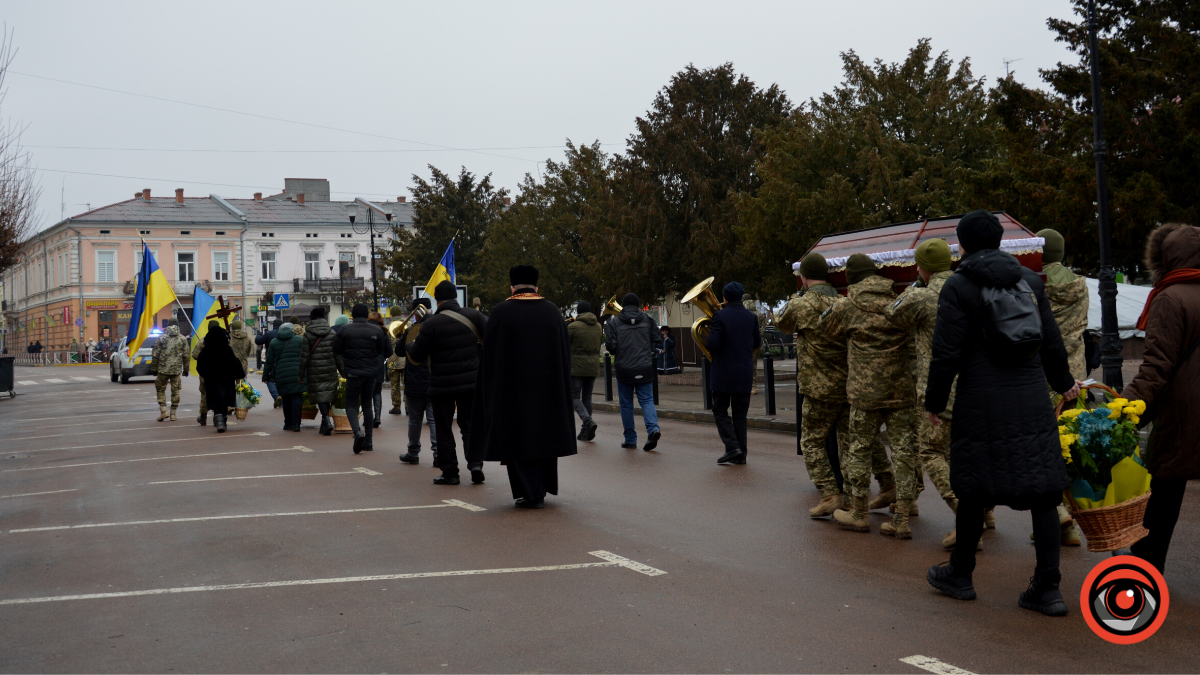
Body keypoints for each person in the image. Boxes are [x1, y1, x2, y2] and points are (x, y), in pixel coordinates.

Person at [924, 209, 1080, 616]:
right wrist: (1064, 383)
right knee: (1044, 492)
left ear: (963, 244)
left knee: (973, 488)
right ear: (999, 242)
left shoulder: (959, 286)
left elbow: (946, 353)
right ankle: (1047, 589)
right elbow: (1051, 343)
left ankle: (961, 575)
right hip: (1030, 398)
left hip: (981, 400)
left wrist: (934, 403)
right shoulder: (1029, 281)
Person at [778, 252, 895, 518]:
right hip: (848, 385)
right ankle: (858, 499)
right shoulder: (843, 302)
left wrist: (795, 299)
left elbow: (780, 323)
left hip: (818, 388)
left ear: (804, 277)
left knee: (811, 441)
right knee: (849, 445)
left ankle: (830, 494)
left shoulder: (801, 305)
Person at [820, 253, 919, 538]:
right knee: (903, 453)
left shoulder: (847, 306)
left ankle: (859, 514)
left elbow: (826, 329)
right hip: (900, 390)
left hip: (864, 394)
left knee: (858, 452)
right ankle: (901, 519)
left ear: (852, 278)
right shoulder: (899, 301)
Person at [1124, 222, 1200, 574]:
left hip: (1183, 414)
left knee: (1163, 496)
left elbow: (1156, 366)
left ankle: (1144, 572)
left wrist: (1123, 409)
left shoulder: (1170, 297)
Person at [468, 265, 577, 508]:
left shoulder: (501, 312)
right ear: (537, 287)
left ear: (512, 287)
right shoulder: (552, 312)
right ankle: (540, 490)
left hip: (512, 394)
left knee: (516, 442)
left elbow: (490, 359)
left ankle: (529, 493)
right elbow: (564, 356)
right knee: (544, 440)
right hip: (548, 392)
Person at [887, 239, 960, 547]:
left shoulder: (922, 295)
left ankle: (965, 513)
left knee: (930, 452)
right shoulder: (968, 288)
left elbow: (894, 314)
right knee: (961, 454)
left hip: (937, 389)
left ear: (924, 268)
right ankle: (984, 514)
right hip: (974, 387)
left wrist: (918, 284)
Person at [1035, 228, 1090, 547]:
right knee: (1070, 445)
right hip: (1076, 374)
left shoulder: (1035, 283)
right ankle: (1072, 518)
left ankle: (1057, 514)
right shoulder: (1079, 284)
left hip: (1045, 374)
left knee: (1045, 445)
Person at [406, 281, 488, 485]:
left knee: (443, 428)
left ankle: (450, 473)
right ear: (455, 297)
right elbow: (492, 338)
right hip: (471, 381)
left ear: (437, 299)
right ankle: (476, 464)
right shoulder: (474, 316)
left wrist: (409, 343)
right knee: (469, 425)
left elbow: (417, 355)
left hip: (441, 384)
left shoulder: (431, 323)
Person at [706, 282, 760, 465]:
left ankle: (732, 446)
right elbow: (756, 343)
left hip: (723, 372)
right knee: (740, 416)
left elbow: (712, 344)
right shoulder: (751, 316)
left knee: (720, 410)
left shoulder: (719, 316)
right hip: (744, 371)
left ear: (725, 298)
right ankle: (741, 455)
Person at [604, 292, 663, 450]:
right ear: (638, 305)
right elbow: (659, 339)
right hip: (644, 367)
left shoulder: (614, 322)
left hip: (624, 369)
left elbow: (611, 347)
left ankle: (630, 439)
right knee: (647, 400)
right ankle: (653, 429)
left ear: (622, 305)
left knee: (626, 405)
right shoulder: (648, 319)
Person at [333, 304, 388, 453]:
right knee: (367, 405)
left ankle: (357, 431)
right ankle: (369, 441)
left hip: (353, 373)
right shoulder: (377, 330)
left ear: (352, 315)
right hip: (371, 372)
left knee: (350, 404)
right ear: (366, 315)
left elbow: (336, 350)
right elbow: (380, 351)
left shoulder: (345, 330)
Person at [397, 298, 437, 465]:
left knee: (415, 420)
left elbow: (399, 351)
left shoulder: (412, 329)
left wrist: (404, 336)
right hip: (434, 379)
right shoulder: (437, 326)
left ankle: (413, 452)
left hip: (414, 381)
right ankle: (438, 454)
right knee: (434, 419)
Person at [195, 324, 246, 433]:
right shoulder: (227, 349)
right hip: (226, 379)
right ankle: (222, 420)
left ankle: (218, 420)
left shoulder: (205, 350)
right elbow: (235, 363)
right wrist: (239, 374)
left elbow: (200, 366)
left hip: (211, 380)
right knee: (224, 400)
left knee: (215, 400)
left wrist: (206, 375)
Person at [298, 307, 340, 436]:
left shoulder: (308, 334)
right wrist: (342, 371)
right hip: (330, 368)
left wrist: (300, 375)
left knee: (321, 395)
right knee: (327, 394)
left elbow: (304, 356)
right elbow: (337, 355)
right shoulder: (332, 333)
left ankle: (326, 421)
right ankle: (324, 422)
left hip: (314, 369)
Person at [568, 300, 602, 441]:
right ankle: (585, 431)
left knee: (574, 397)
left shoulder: (573, 326)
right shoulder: (598, 326)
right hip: (593, 366)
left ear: (579, 311)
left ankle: (588, 421)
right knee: (587, 398)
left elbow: (565, 343)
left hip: (576, 368)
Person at [265, 322, 305, 432]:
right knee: (297, 397)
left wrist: (265, 376)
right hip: (297, 373)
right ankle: (296, 424)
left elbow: (269, 362)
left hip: (281, 374)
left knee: (286, 398)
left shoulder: (274, 342)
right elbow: (305, 356)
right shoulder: (299, 340)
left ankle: (288, 423)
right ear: (292, 330)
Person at [150, 318, 189, 422]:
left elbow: (155, 355)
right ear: (177, 325)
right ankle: (173, 414)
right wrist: (186, 369)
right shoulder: (182, 339)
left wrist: (154, 368)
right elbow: (186, 355)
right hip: (176, 370)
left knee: (160, 389)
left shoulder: (161, 338)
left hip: (162, 369)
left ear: (167, 325)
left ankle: (163, 411)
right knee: (175, 391)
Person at [192, 320, 220, 425]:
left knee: (204, 394)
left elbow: (194, 355)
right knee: (218, 393)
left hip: (206, 373)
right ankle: (218, 417)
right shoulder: (224, 340)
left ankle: (203, 417)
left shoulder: (203, 341)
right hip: (220, 373)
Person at [255, 319, 283, 408]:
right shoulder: (288, 334)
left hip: (271, 361)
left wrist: (259, 334)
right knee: (282, 380)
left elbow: (258, 341)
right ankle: (282, 400)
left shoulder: (269, 334)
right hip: (283, 361)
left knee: (270, 379)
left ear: (273, 325)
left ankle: (276, 396)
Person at [368, 312, 388, 429]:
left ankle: (368, 417)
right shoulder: (383, 332)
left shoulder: (365, 330)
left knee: (366, 392)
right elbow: (389, 351)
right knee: (377, 391)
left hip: (367, 363)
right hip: (379, 364)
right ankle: (377, 417)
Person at [742, 297, 766, 394]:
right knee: (753, 365)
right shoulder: (758, 314)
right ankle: (753, 386)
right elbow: (762, 330)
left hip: (744, 344)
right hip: (755, 344)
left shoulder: (743, 314)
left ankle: (746, 385)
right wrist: (760, 343)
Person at [386, 305, 406, 415]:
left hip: (393, 360)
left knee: (394, 384)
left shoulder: (388, 326)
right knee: (407, 383)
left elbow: (387, 345)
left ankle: (396, 406)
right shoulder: (410, 325)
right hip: (407, 359)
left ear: (392, 315)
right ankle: (408, 406)